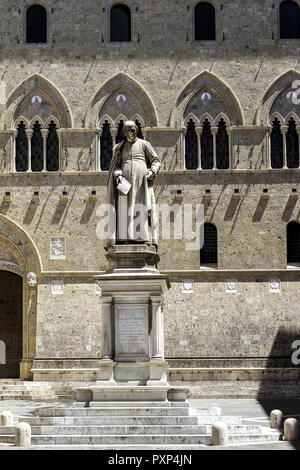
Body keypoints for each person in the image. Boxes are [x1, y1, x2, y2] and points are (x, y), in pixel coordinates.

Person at [107, 121, 161, 247]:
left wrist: (152, 171)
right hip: (124, 183)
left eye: (133, 130)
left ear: (137, 130)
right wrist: (118, 174)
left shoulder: (144, 145)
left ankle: (144, 237)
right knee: (124, 208)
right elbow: (116, 165)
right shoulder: (119, 147)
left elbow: (156, 161)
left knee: (141, 207)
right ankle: (124, 238)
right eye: (128, 131)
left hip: (141, 182)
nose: (131, 133)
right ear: (124, 132)